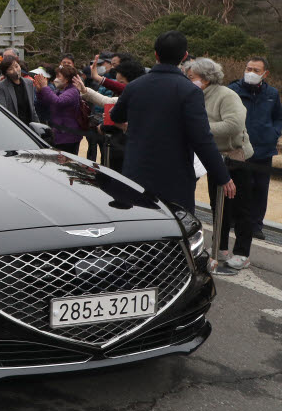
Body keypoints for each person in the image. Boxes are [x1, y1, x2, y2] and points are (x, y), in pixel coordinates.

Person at [110, 31, 234, 213]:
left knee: (139, 228)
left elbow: (116, 116)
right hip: (174, 176)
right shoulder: (189, 91)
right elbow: (202, 139)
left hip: (136, 171)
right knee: (173, 232)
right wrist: (222, 176)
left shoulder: (135, 86)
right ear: (184, 56)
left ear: (155, 54)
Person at [185, 58, 255, 269]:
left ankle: (242, 252)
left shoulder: (226, 95)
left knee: (241, 206)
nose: (188, 81)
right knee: (218, 204)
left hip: (236, 156)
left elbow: (234, 125)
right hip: (213, 156)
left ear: (205, 79)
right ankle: (220, 246)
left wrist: (200, 127)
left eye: (191, 78)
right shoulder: (194, 95)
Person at [228, 56, 282, 240]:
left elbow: (278, 117)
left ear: (265, 74)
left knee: (260, 188)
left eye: (256, 70)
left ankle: (256, 225)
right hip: (239, 149)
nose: (250, 73)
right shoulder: (233, 90)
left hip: (264, 149)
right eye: (248, 68)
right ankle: (234, 221)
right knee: (238, 186)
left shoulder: (272, 94)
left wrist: (274, 132)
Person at [33, 65, 82, 153]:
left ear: (66, 79)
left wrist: (45, 87)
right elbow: (46, 103)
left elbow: (58, 102)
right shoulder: (60, 90)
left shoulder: (73, 91)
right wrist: (39, 91)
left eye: (59, 76)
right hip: (59, 135)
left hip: (68, 137)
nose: (56, 79)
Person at [0, 55, 39, 125]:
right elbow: (2, 110)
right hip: (13, 127)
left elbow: (32, 109)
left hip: (29, 127)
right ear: (5, 73)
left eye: (16, 66)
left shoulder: (29, 83)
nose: (15, 70)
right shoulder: (0, 87)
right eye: (10, 69)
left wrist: (38, 126)